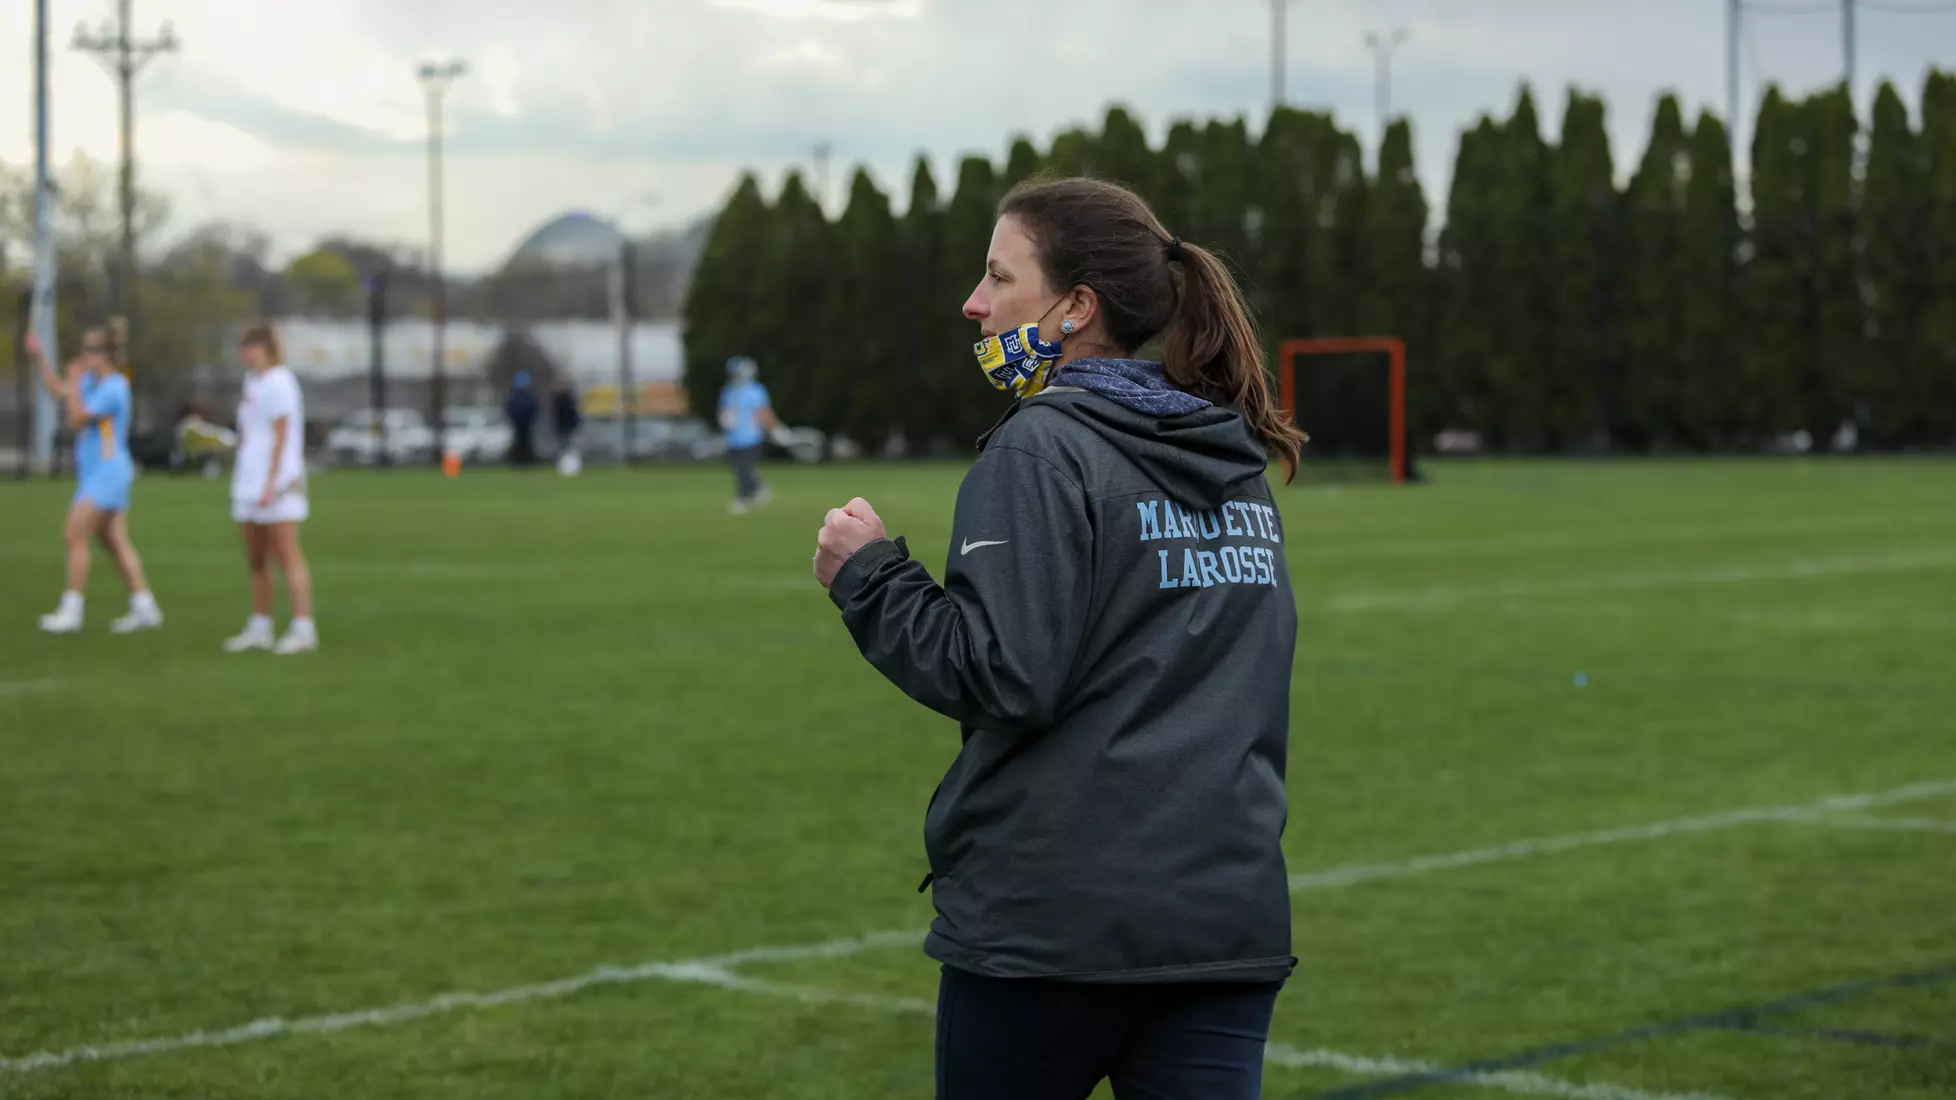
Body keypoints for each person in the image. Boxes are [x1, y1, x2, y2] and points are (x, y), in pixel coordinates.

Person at [813, 177, 1307, 1100]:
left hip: (1054, 932)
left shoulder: (1041, 447)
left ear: (1075, 306)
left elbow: (1005, 674)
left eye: (999, 276)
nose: (974, 301)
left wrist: (869, 575)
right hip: (1221, 922)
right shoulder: (1233, 460)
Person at [29, 321, 164, 635]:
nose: (84, 355)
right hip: (95, 473)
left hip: (108, 473)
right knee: (115, 542)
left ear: (106, 354)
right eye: (83, 348)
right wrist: (40, 359)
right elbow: (58, 391)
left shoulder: (115, 386)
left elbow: (76, 418)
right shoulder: (91, 381)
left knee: (74, 534)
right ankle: (145, 607)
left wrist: (75, 381)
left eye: (91, 349)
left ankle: (71, 610)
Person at [223, 323, 318, 655]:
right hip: (248, 479)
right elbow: (253, 434)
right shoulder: (252, 382)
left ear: (267, 347)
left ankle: (303, 628)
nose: (245, 352)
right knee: (256, 557)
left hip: (278, 483)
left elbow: (282, 436)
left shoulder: (280, 381)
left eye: (251, 345)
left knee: (287, 554)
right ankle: (260, 627)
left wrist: (271, 483)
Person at [719, 356, 777, 514]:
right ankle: (759, 488)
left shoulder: (756, 390)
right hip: (733, 438)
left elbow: (763, 412)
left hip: (751, 437)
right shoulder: (729, 391)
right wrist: (725, 419)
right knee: (738, 469)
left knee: (744, 468)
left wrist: (774, 429)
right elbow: (725, 411)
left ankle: (741, 499)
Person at [551, 374, 583, 476]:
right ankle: (564, 467)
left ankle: (571, 467)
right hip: (561, 427)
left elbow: (574, 413)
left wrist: (576, 423)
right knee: (562, 448)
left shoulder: (569, 398)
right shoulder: (557, 398)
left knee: (569, 447)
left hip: (569, 427)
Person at [506, 371, 540, 466]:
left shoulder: (528, 396)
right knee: (518, 442)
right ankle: (518, 460)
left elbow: (534, 408)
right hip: (517, 423)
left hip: (527, 423)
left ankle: (527, 460)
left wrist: (530, 419)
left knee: (527, 442)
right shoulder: (515, 396)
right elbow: (510, 409)